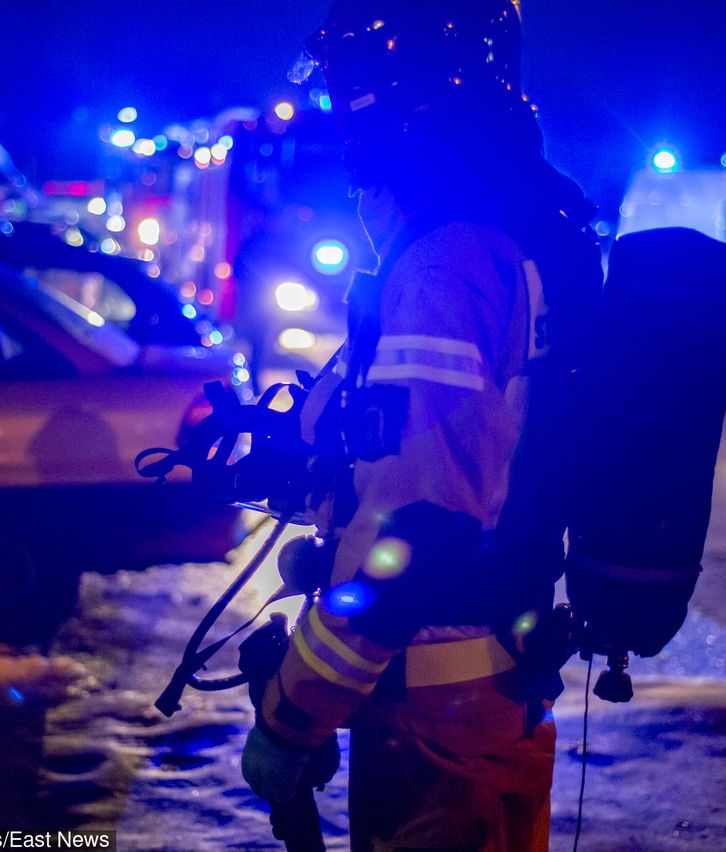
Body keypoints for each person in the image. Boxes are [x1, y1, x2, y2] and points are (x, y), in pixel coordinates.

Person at [241, 2, 605, 849]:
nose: (341, 119)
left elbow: (416, 534)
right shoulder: (502, 232)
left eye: (348, 88)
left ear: (392, 95)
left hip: (438, 725)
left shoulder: (449, 262)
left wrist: (293, 713)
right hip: (486, 694)